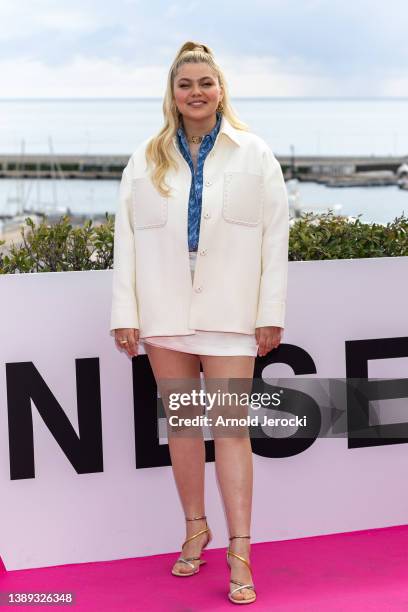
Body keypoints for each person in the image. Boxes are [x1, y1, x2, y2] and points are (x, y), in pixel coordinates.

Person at [110, 40, 289, 605]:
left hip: (232, 312)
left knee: (231, 430)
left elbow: (274, 237)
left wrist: (269, 313)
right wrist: (126, 313)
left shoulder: (253, 152)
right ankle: (195, 529)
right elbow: (127, 242)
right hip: (165, 311)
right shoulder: (145, 157)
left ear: (219, 90)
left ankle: (240, 550)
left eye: (204, 83)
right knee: (185, 429)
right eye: (185, 84)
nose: (195, 93)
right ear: (173, 93)